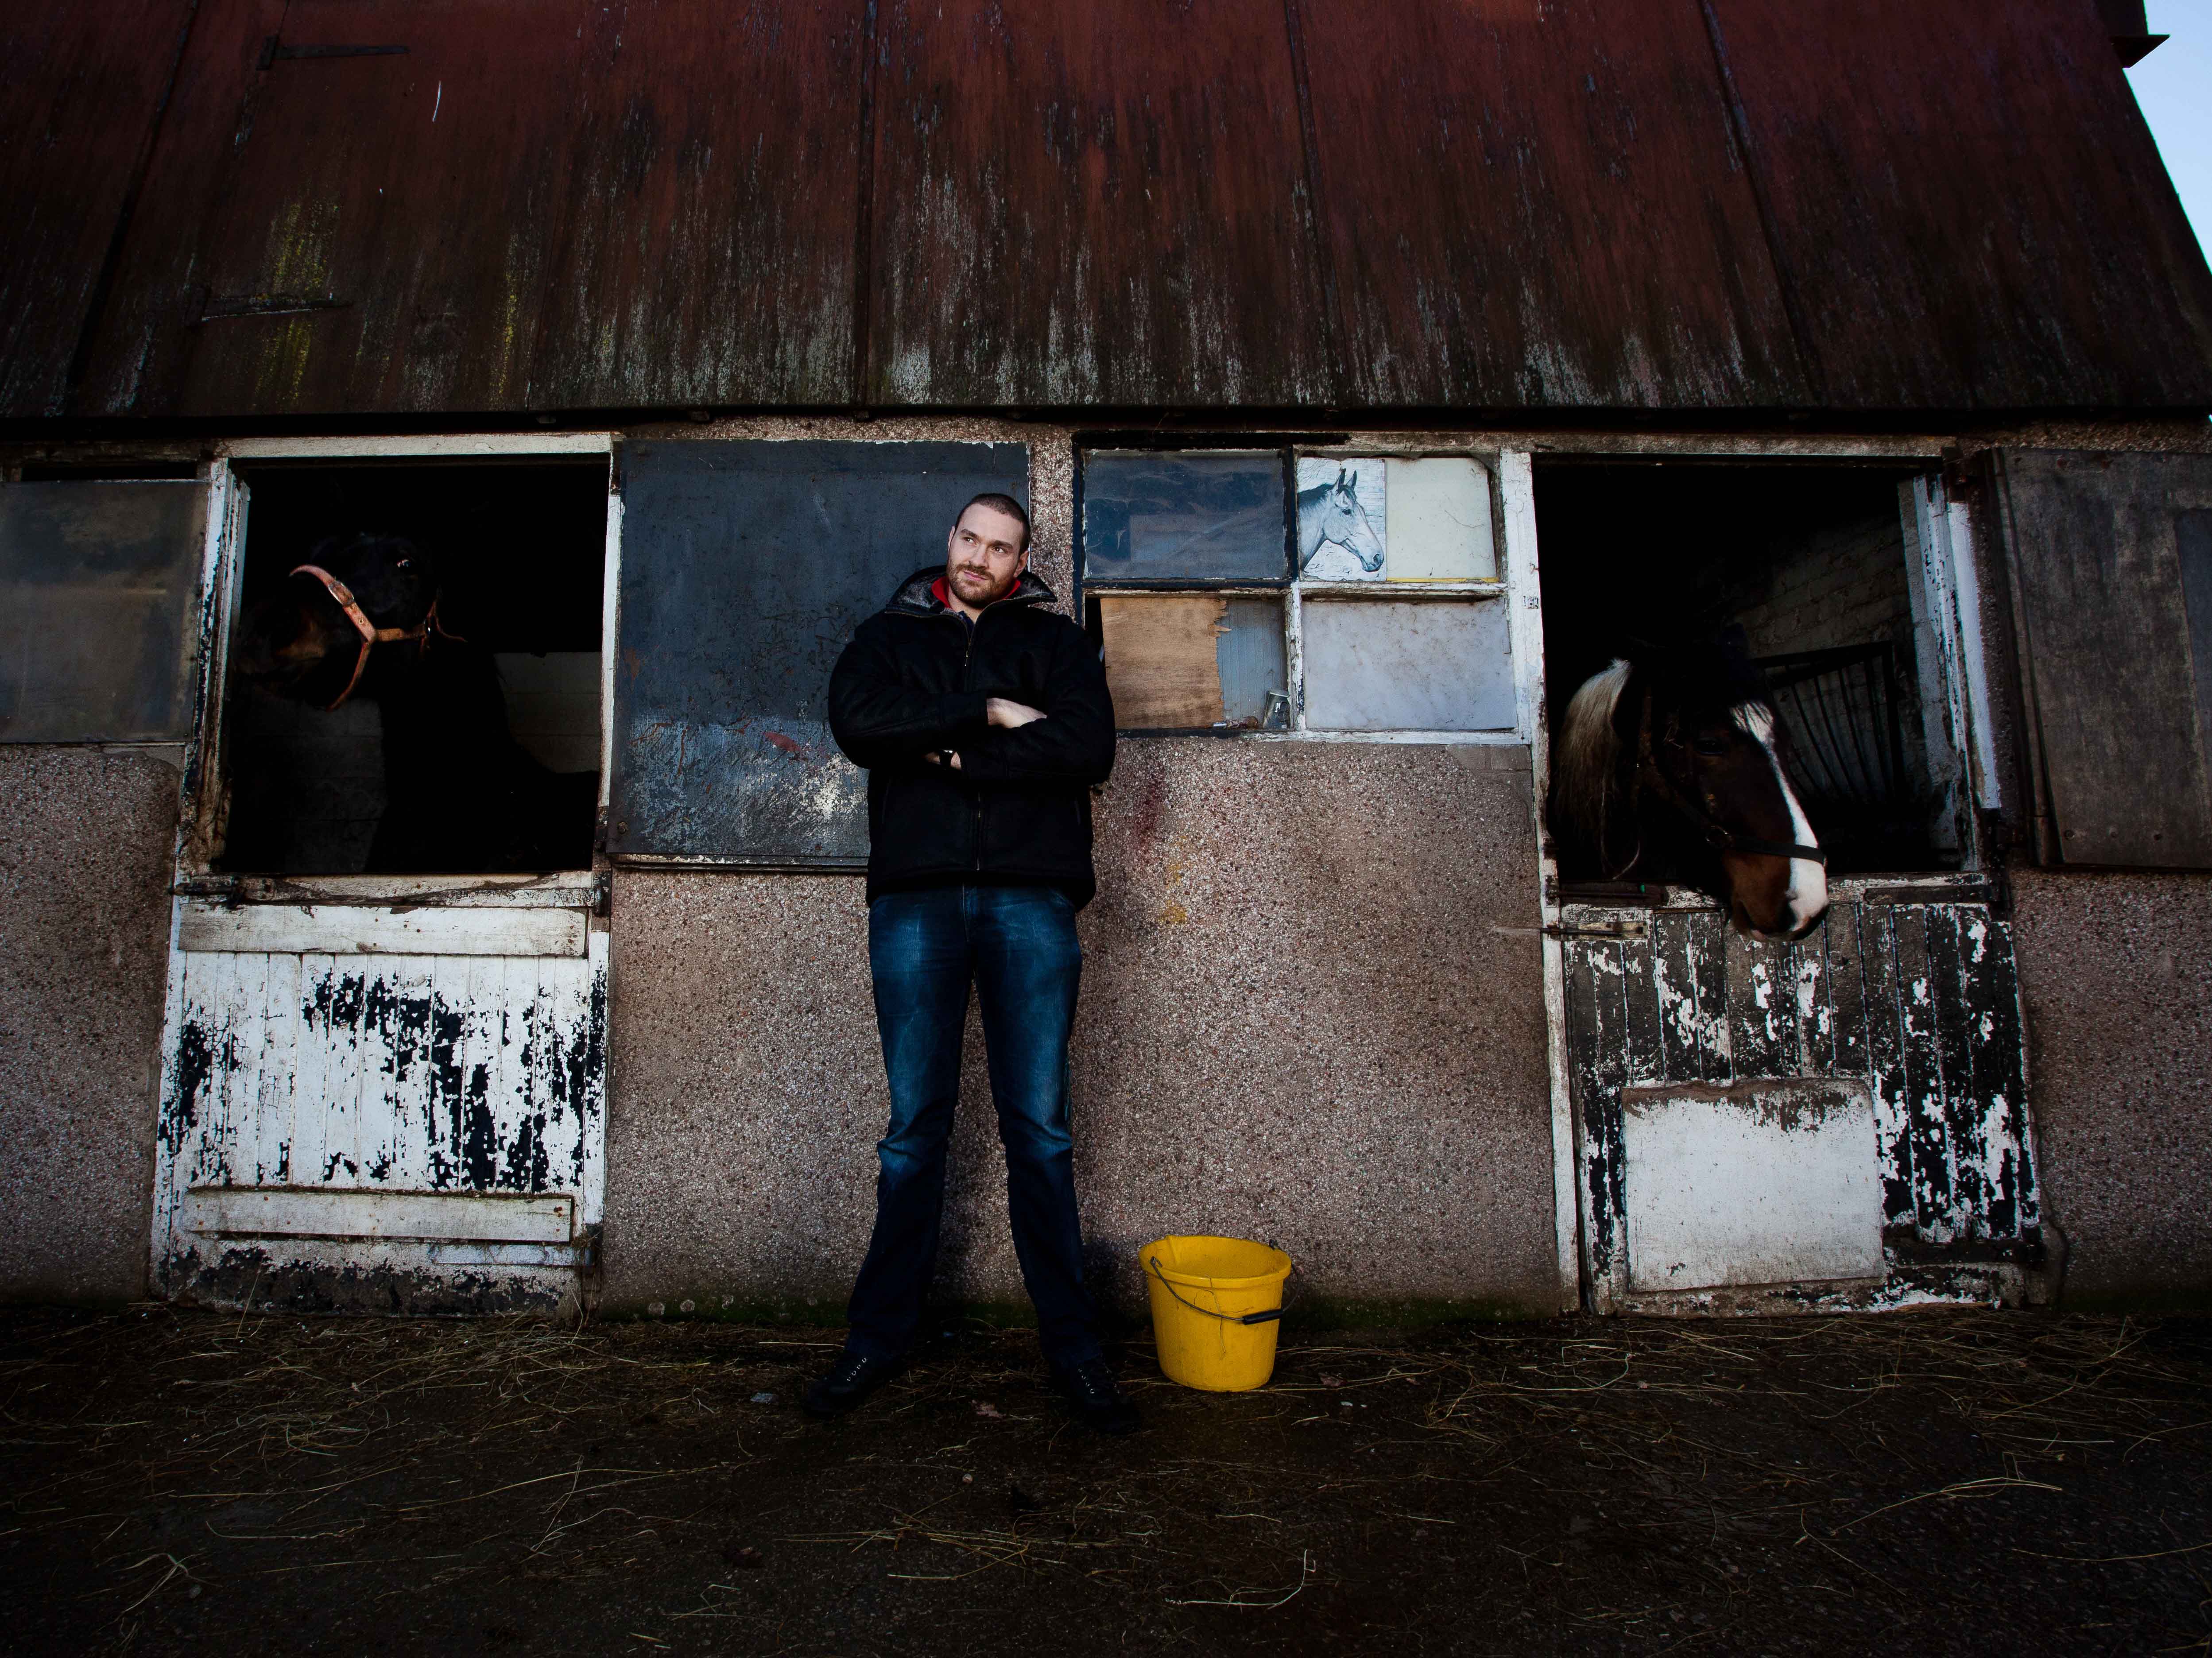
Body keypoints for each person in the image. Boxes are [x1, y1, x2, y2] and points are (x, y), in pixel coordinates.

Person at [809, 491, 1137, 1435]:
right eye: (968, 539)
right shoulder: (887, 636)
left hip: (1029, 898)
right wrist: (986, 709)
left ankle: (1073, 1350)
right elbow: (861, 724)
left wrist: (961, 754)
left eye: (1000, 548)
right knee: (914, 1129)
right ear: (947, 539)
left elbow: (1090, 746)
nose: (980, 558)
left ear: (1021, 560)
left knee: (1040, 1129)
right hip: (915, 898)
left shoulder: (1056, 643)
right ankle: (875, 1337)